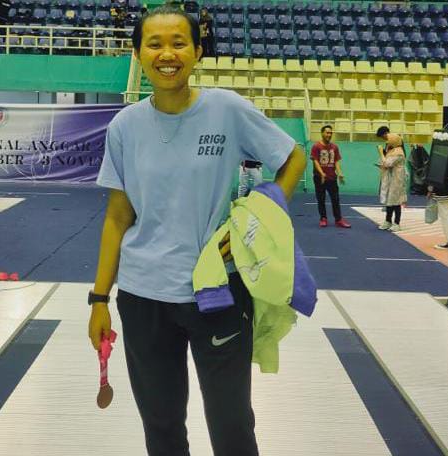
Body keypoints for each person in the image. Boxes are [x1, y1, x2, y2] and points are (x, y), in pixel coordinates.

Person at [88, 6, 306, 455]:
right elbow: (117, 217)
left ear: (198, 51)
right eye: (154, 44)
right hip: (143, 296)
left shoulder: (227, 109)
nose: (167, 54)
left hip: (217, 291)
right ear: (138, 53)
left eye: (179, 43)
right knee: (162, 427)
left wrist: (262, 215)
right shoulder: (124, 126)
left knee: (232, 426)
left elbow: (292, 159)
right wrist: (99, 299)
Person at [310, 125, 351, 228]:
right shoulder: (316, 146)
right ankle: (323, 218)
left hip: (332, 178)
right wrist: (321, 173)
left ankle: (338, 219)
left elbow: (336, 161)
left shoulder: (334, 147)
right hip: (319, 178)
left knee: (335, 199)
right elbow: (315, 161)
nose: (329, 135)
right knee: (321, 199)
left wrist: (340, 173)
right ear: (322, 133)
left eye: (330, 133)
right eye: (327, 132)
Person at [375, 125, 407, 232]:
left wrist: (380, 152)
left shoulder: (399, 152)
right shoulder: (392, 150)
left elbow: (387, 163)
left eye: (389, 140)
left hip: (397, 179)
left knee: (396, 201)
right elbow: (386, 163)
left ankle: (397, 223)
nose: (387, 142)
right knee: (389, 200)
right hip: (390, 178)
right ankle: (388, 221)